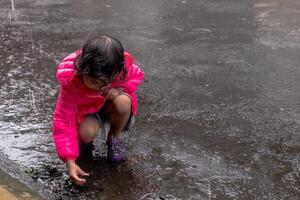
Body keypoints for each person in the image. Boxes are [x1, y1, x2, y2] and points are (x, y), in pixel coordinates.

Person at [52, 36, 144, 185]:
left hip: (109, 107)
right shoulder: (71, 82)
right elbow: (63, 120)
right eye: (93, 82)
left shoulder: (121, 69)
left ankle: (113, 139)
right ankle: (83, 145)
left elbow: (136, 77)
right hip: (87, 113)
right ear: (83, 70)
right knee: (85, 133)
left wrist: (119, 89)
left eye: (105, 83)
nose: (99, 87)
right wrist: (70, 160)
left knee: (123, 102)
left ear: (116, 72)